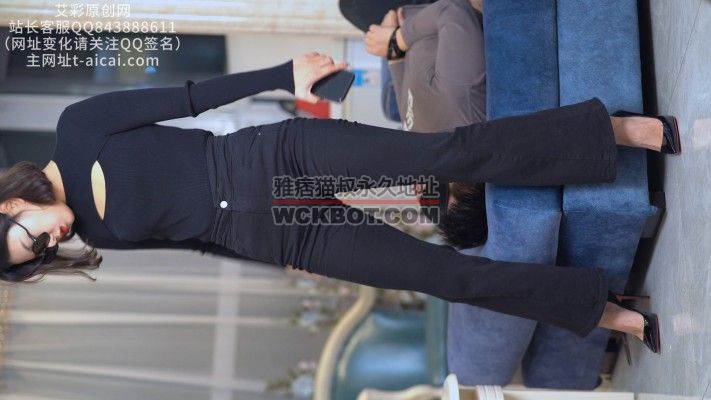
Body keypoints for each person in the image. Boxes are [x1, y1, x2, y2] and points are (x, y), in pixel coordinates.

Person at [0, 52, 678, 354]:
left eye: (33, 240)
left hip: (276, 159)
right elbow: (196, 241)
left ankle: (611, 131)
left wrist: (284, 76)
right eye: (42, 257)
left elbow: (187, 99)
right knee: (444, 277)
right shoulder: (102, 234)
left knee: (446, 157)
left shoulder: (79, 127)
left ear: (7, 206)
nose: (53, 244)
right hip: (285, 233)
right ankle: (601, 309)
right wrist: (280, 262)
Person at [363, 0, 489, 248]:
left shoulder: (423, 149)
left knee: (351, 8)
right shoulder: (461, 105)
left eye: (426, 201)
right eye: (436, 193)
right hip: (429, 9)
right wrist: (396, 39)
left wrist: (391, 46)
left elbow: (399, 74)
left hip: (405, 26)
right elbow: (452, 11)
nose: (417, 190)